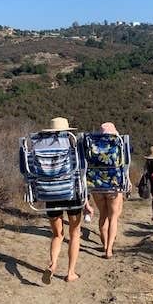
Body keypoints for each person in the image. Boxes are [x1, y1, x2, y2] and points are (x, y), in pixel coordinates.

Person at [41, 116, 93, 285]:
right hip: (71, 194)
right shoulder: (73, 145)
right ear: (67, 130)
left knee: (57, 235)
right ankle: (70, 273)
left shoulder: (41, 148)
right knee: (74, 233)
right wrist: (86, 201)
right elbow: (82, 173)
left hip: (50, 195)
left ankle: (53, 264)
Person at [91, 122, 126, 259]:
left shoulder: (93, 146)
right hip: (113, 184)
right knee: (113, 217)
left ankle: (105, 244)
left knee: (103, 215)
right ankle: (109, 250)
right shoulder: (118, 144)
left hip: (97, 185)